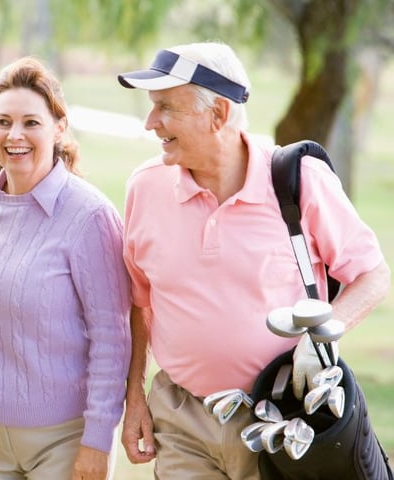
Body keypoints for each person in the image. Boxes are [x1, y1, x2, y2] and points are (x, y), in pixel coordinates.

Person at [116, 42, 390, 478]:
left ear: (218, 114)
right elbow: (139, 304)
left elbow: (373, 275)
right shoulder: (144, 189)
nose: (151, 123)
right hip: (181, 415)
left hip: (279, 419)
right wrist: (134, 398)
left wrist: (317, 341)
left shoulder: (298, 181)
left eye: (166, 107)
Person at [0, 56, 131, 480]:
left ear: (59, 128)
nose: (15, 135)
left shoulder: (90, 217)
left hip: (62, 440)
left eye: (31, 122)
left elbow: (112, 340)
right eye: (3, 121)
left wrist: (98, 440)